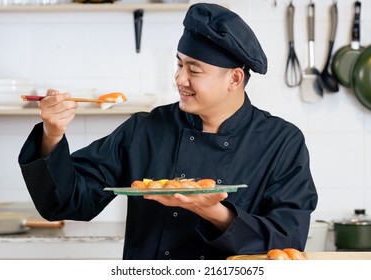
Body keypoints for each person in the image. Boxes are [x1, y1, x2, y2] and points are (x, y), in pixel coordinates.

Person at [18, 3, 317, 260]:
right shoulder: (144, 130)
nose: (180, 79)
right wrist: (53, 134)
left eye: (194, 70)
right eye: (178, 64)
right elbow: (66, 202)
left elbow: (288, 240)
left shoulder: (281, 142)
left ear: (235, 79)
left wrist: (214, 212)